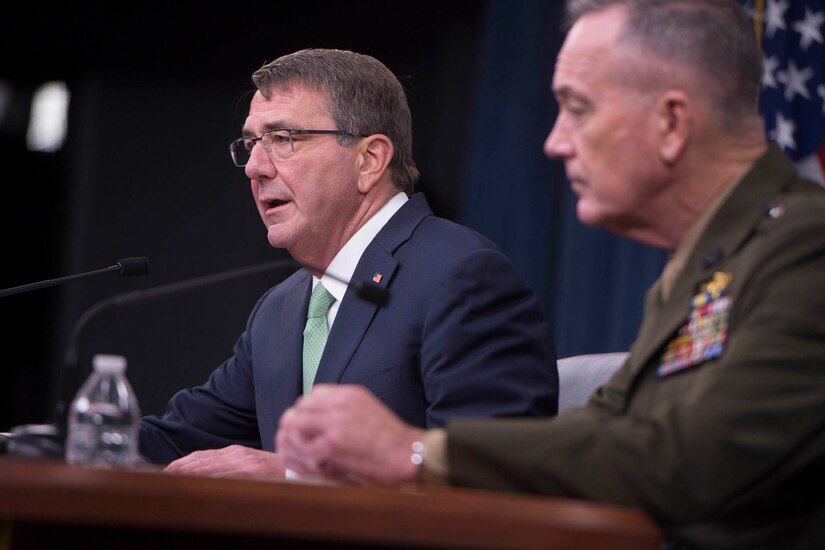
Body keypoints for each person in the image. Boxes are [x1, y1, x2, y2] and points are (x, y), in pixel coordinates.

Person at [275, 2, 825, 548]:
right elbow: (606, 434)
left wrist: (415, 454)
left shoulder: (806, 249)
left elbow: (692, 459)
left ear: (672, 122)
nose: (555, 141)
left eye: (578, 108)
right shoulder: (706, 264)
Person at [138, 48, 559, 476]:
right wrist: (80, 438)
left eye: (283, 139)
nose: (255, 168)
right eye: (251, 144)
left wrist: (293, 479)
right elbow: (175, 439)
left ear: (369, 160)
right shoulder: (279, 310)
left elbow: (494, 476)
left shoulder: (462, 276)